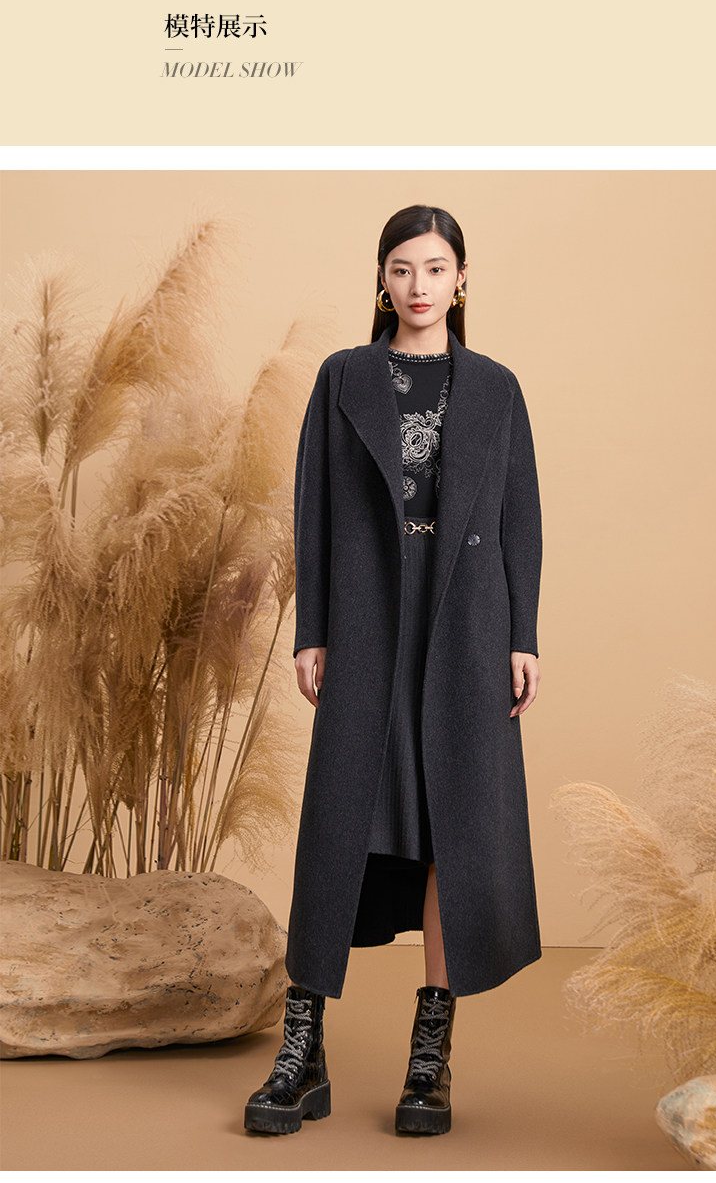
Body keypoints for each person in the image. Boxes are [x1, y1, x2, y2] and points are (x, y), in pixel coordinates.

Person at [244, 205, 543, 1136]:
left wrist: (522, 635)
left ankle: (430, 1058)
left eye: (436, 268)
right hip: (370, 614)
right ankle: (302, 1052)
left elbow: (522, 518)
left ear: (462, 280)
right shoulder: (345, 377)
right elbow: (313, 507)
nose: (420, 285)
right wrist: (313, 629)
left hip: (467, 623)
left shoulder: (496, 388)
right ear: (383, 279)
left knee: (454, 825)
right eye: (403, 268)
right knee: (339, 816)